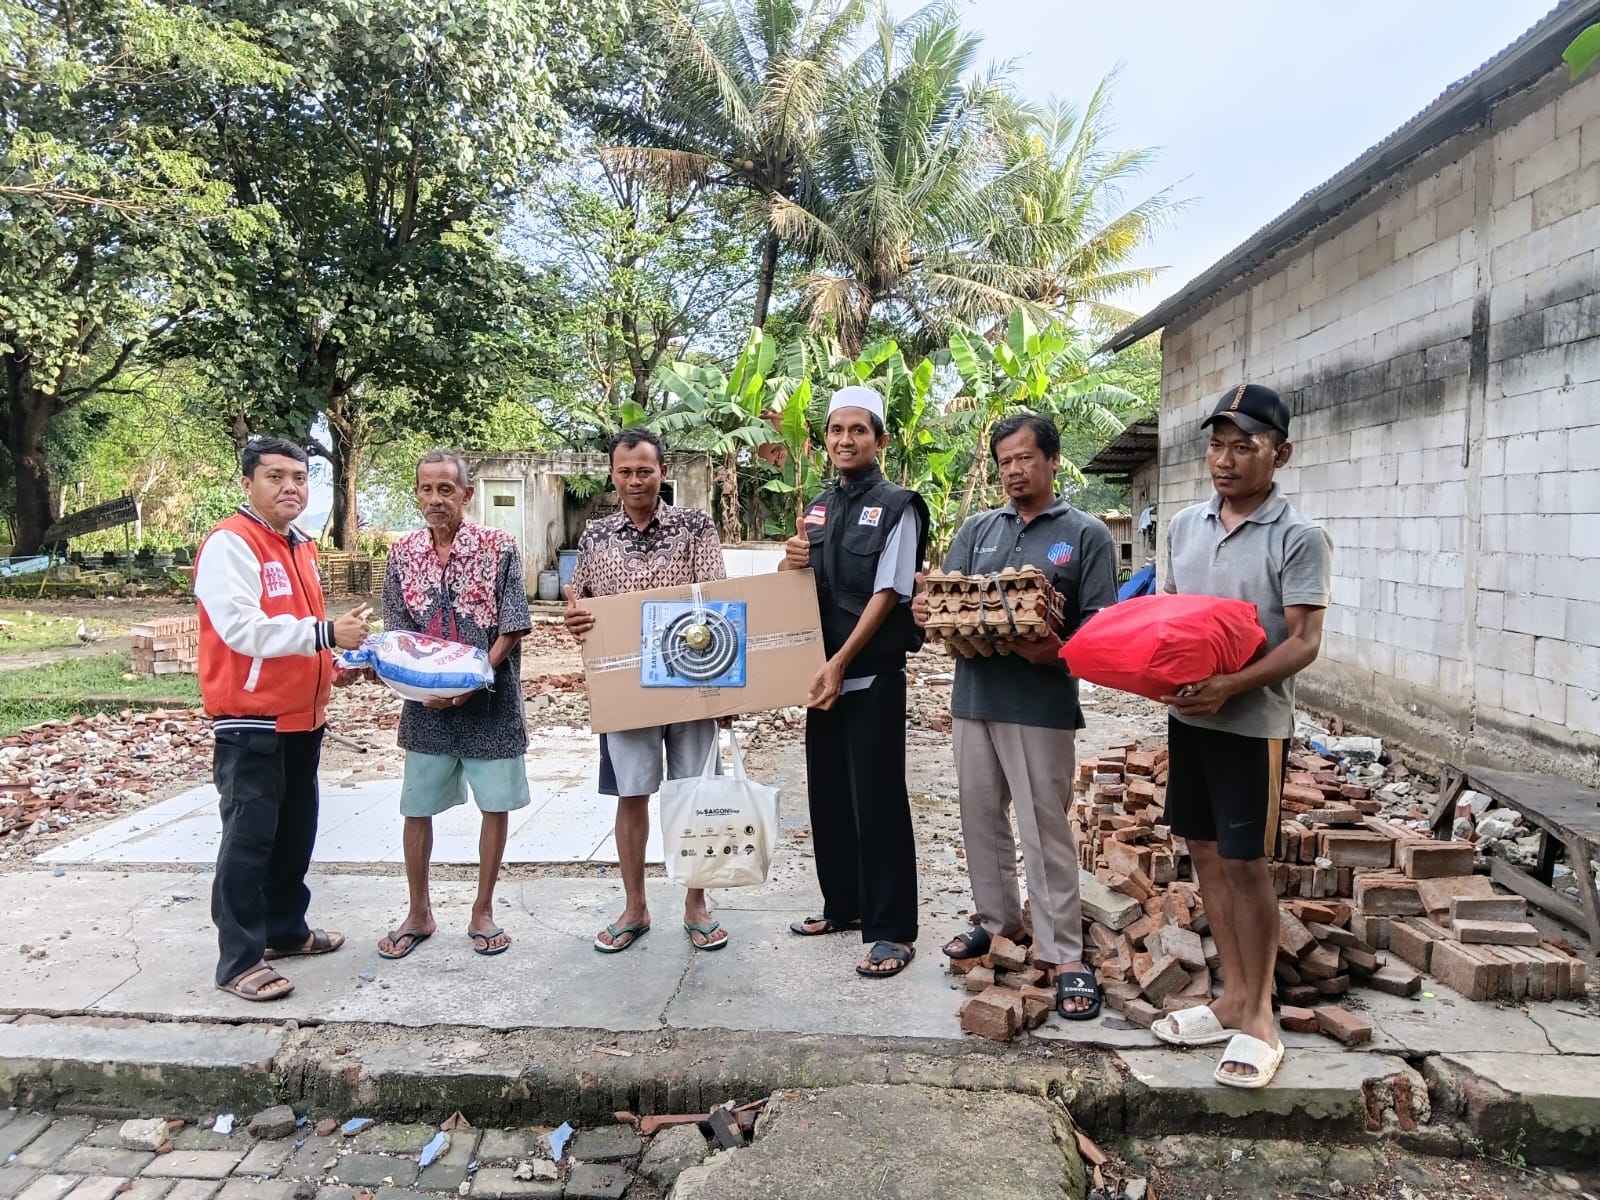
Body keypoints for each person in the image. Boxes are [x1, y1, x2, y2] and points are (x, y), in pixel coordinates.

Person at [1152, 383, 1332, 1090]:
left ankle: (1260, 1017)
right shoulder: (1186, 526)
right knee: (1203, 851)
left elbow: (1305, 641)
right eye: (1217, 445)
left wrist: (1230, 684)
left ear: (1279, 453)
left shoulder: (1298, 536)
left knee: (1245, 861)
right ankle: (1227, 996)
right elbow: (1174, 620)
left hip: (1251, 724)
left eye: (1244, 446)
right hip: (1187, 720)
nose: (1224, 460)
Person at [912, 414, 1117, 1020]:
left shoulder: (1084, 535)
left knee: (1043, 825)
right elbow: (945, 602)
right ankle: (998, 923)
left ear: (1053, 462)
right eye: (1005, 461)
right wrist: (927, 607)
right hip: (975, 697)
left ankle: (1065, 952)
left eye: (1026, 458)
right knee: (979, 818)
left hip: (1041, 703)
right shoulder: (979, 529)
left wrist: (1055, 651)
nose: (1014, 471)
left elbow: (1100, 627)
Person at [195, 436, 369, 1001]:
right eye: (276, 476)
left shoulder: (300, 546)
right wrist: (324, 635)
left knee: (294, 834)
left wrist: (332, 662)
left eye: (299, 477)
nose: (290, 486)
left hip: (303, 717)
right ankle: (237, 961)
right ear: (248, 483)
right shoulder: (231, 544)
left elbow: (293, 628)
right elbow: (240, 628)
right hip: (252, 720)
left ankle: (286, 932)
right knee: (249, 840)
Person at [563, 428, 731, 953]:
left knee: (695, 794)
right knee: (631, 794)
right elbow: (583, 606)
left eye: (645, 470)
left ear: (663, 472)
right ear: (612, 475)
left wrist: (729, 694)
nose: (635, 480)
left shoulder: (695, 526)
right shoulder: (595, 535)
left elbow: (719, 600)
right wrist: (576, 618)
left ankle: (695, 905)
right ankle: (635, 906)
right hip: (626, 688)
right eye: (625, 471)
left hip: (694, 679)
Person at [781, 385, 928, 979]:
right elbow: (799, 590)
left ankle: (892, 929)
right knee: (830, 798)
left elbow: (889, 590)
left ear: (881, 440)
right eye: (837, 430)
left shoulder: (900, 506)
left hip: (867, 677)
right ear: (826, 441)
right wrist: (790, 561)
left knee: (879, 801)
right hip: (822, 682)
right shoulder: (817, 508)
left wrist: (840, 662)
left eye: (858, 430)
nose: (846, 439)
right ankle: (841, 905)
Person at [374, 450, 532, 961]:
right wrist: (423, 687)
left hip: (489, 700)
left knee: (495, 804)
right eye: (427, 489)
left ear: (467, 494)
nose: (436, 499)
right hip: (426, 707)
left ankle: (482, 909)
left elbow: (512, 622)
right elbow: (396, 634)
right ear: (417, 494)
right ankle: (418, 911)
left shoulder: (499, 547)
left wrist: (474, 677)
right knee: (416, 806)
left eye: (447, 489)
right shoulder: (401, 555)